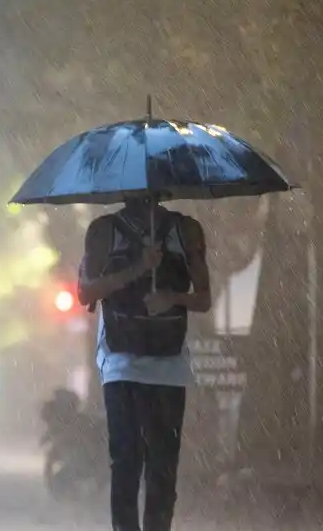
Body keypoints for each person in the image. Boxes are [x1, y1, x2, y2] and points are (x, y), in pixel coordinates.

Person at [78, 199, 211, 531]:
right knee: (128, 461)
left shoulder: (185, 230)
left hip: (168, 366)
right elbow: (86, 292)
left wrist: (171, 297)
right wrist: (138, 268)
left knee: (160, 466)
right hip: (121, 363)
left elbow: (204, 298)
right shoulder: (104, 231)